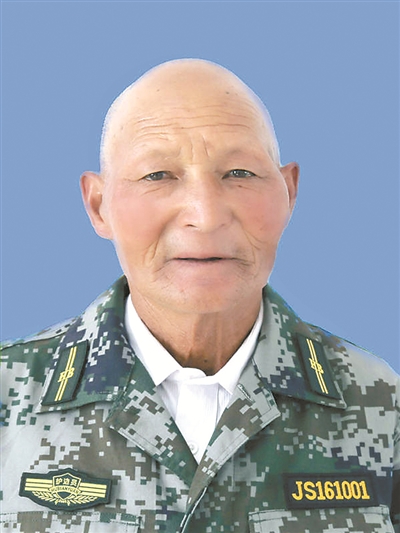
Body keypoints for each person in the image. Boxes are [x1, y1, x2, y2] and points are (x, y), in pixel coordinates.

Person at [1, 59, 399, 533]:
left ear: (289, 192)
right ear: (98, 204)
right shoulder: (9, 393)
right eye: (157, 175)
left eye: (239, 172)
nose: (206, 216)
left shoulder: (381, 401)